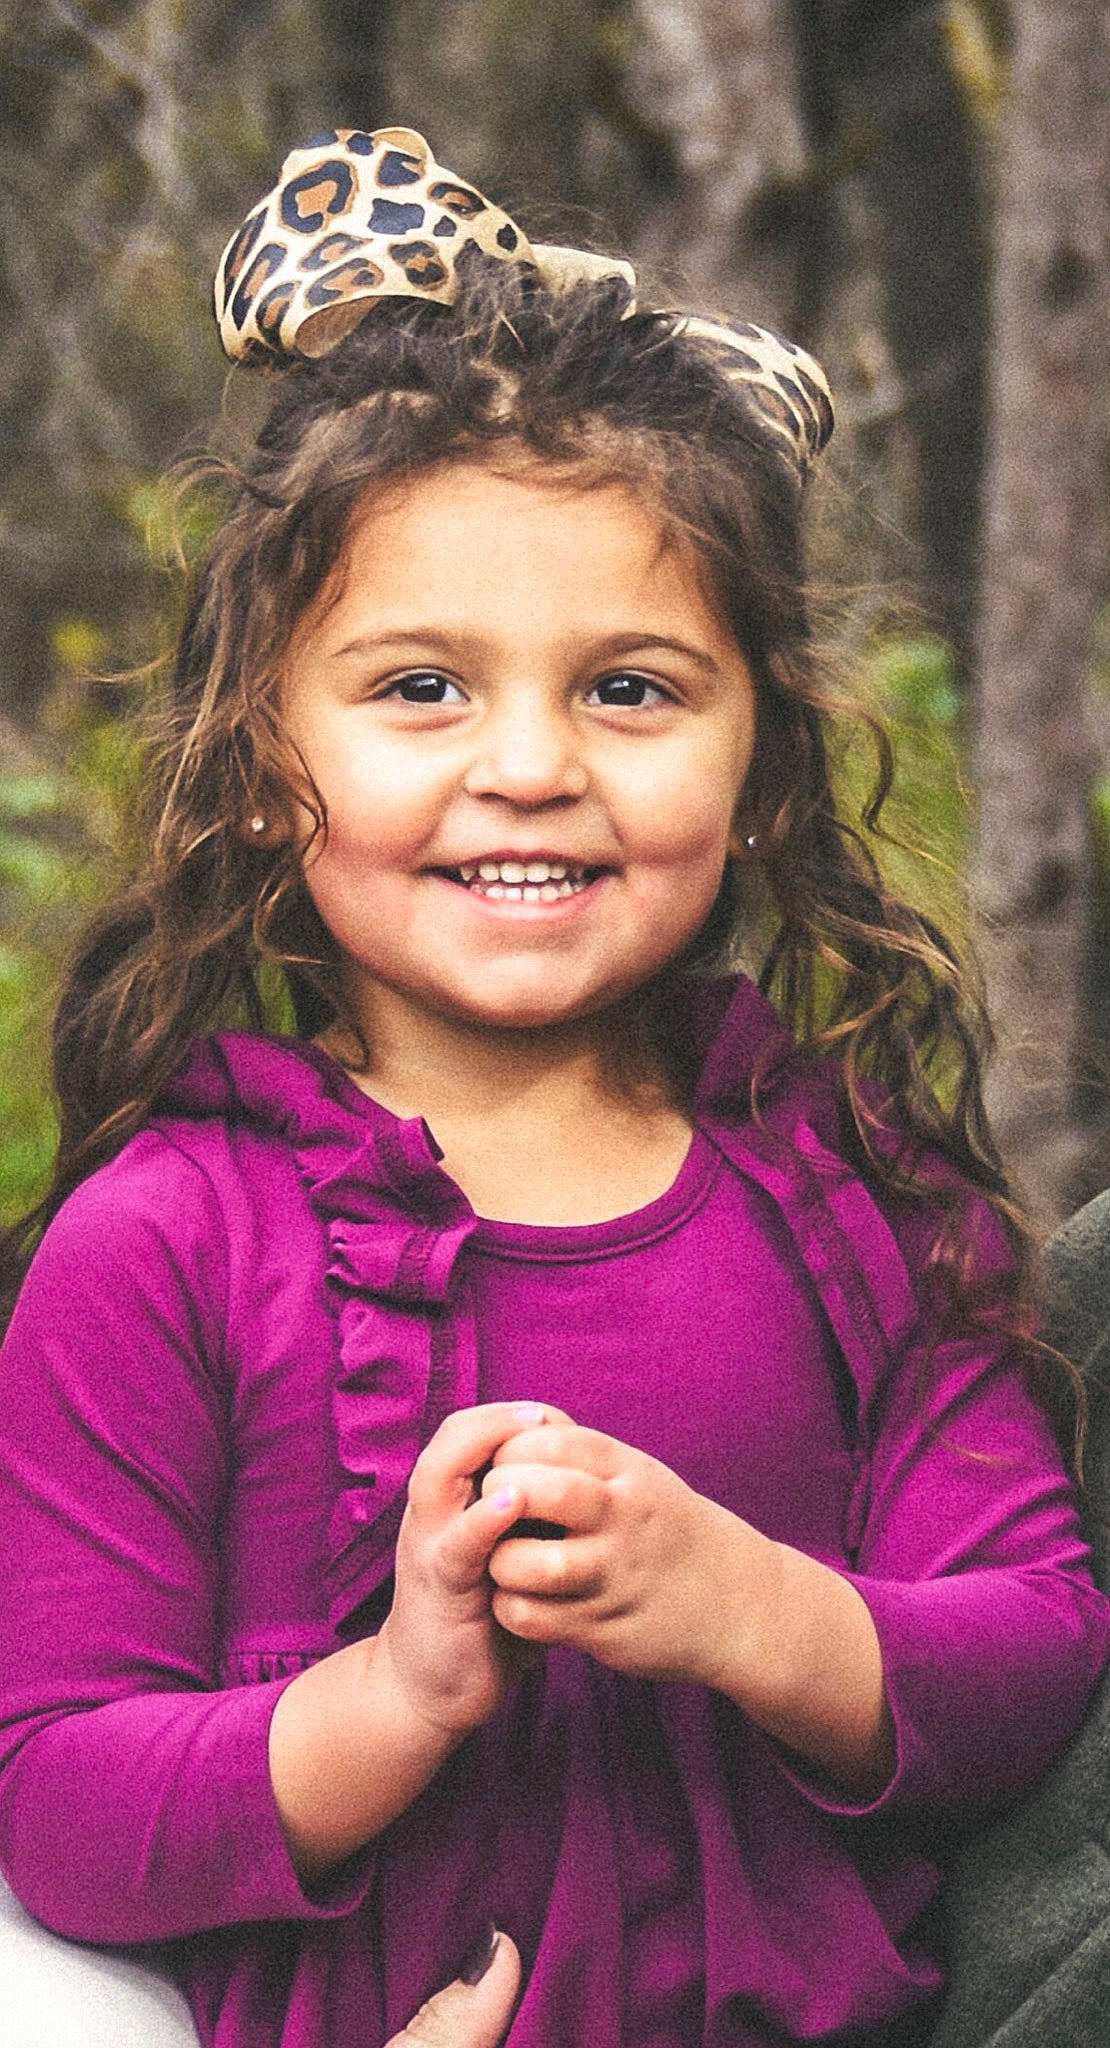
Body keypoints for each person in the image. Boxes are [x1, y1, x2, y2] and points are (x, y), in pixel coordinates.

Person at [0, 124, 1106, 2048]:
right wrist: (394, 1698)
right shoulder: (164, 1243)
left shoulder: (857, 1198)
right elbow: (58, 1806)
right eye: (419, 686)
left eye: (630, 688)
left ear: (762, 775)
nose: (529, 766)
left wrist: (747, 1605)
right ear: (259, 762)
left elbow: (1034, 1654)